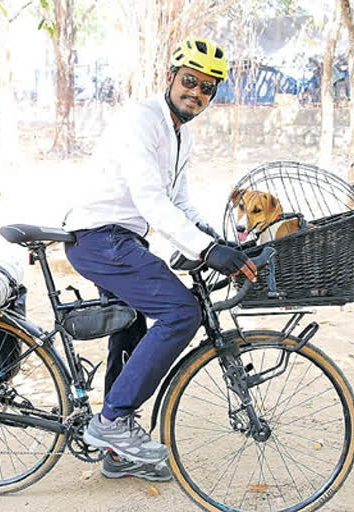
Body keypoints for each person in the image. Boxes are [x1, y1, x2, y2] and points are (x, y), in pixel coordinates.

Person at [62, 37, 257, 481]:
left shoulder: (179, 133)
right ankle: (111, 421)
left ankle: (116, 448)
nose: (197, 93)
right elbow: (151, 200)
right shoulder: (141, 120)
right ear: (169, 77)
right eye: (190, 81)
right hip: (99, 236)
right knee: (180, 312)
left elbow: (180, 204)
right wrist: (206, 251)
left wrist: (217, 239)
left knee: (129, 327)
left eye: (208, 89)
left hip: (122, 239)